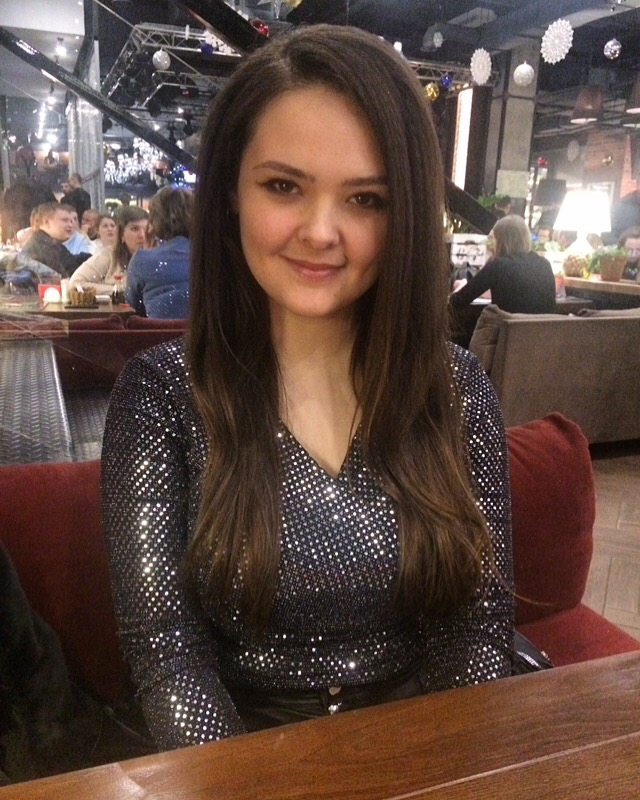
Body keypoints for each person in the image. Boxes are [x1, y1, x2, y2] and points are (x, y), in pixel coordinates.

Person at [102, 24, 514, 753]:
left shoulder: (455, 387)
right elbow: (167, 654)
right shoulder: (162, 396)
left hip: (424, 740)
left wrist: (443, 770)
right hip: (238, 755)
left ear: (405, 215)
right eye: (284, 186)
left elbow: (476, 630)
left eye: (366, 199)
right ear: (231, 192)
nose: (322, 232)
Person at [450, 214, 556, 313]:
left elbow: (457, 302)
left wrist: (461, 285)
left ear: (500, 240)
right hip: (542, 327)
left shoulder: (498, 266)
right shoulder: (544, 264)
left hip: (505, 327)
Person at [125, 186, 192, 319]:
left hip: (158, 332)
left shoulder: (142, 260)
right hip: (204, 332)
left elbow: (133, 304)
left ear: (155, 220)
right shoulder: (213, 258)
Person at [68, 206, 149, 294]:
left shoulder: (157, 257)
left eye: (146, 229)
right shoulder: (110, 255)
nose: (142, 235)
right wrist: (118, 290)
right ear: (121, 234)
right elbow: (75, 283)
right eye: (135, 229)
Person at [20, 202, 91, 277]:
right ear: (47, 222)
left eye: (71, 221)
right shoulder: (46, 247)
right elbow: (68, 273)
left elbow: (71, 261)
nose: (71, 225)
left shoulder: (47, 243)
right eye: (65, 220)